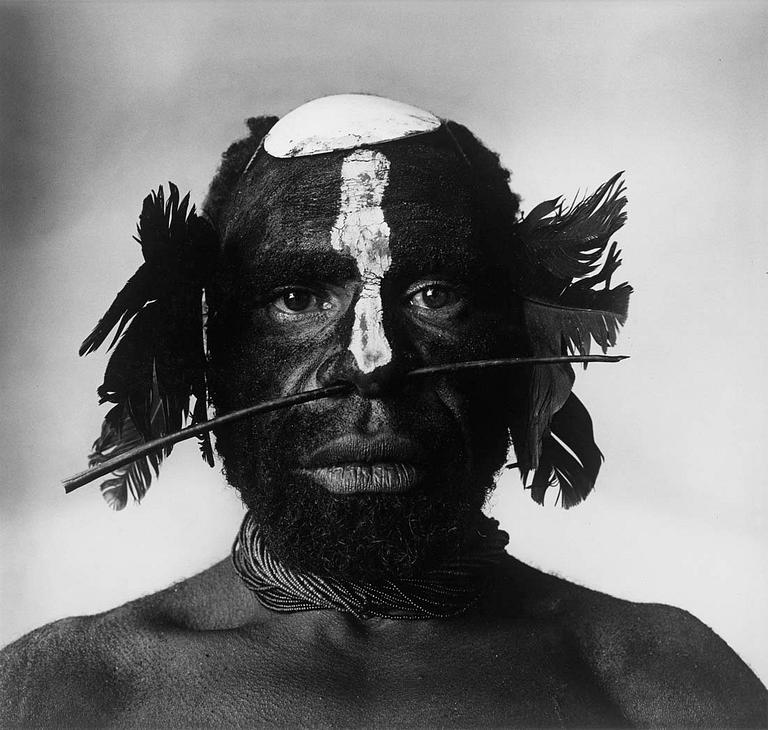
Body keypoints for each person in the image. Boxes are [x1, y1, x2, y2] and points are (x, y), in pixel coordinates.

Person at [1, 94, 765, 727]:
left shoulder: (659, 687)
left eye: (435, 295)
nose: (373, 364)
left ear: (524, 342)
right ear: (209, 353)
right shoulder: (61, 695)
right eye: (297, 298)